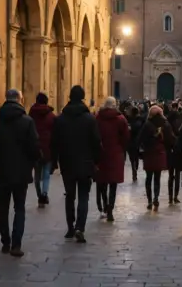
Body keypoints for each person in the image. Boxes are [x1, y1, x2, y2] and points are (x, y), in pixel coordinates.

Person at [0, 89, 40, 257]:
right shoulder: (27, 122)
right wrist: (35, 163)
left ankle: (5, 241)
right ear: (20, 100)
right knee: (19, 208)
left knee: (3, 208)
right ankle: (16, 244)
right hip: (21, 173)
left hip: (2, 171)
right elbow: (34, 147)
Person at [51, 85, 102, 243]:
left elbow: (54, 142)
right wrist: (97, 160)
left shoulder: (60, 119)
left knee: (70, 195)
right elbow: (96, 142)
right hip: (86, 163)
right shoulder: (89, 119)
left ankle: (70, 228)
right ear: (83, 97)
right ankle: (80, 227)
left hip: (67, 163)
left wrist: (54, 161)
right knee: (83, 196)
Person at [96, 96, 130, 222]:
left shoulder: (98, 118)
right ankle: (110, 209)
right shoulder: (121, 119)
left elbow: (95, 135)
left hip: (101, 154)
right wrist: (121, 148)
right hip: (115, 154)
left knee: (103, 182)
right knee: (113, 184)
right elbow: (126, 137)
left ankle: (105, 206)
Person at [138, 105, 175, 211]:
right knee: (157, 178)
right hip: (159, 153)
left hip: (149, 153)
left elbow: (140, 139)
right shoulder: (165, 124)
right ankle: (156, 198)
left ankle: (149, 200)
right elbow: (170, 139)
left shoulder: (147, 124)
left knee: (148, 178)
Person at [29, 93, 56, 208]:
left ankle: (39, 195)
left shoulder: (31, 115)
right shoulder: (51, 116)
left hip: (35, 148)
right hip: (48, 148)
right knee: (46, 174)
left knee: (37, 175)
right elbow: (55, 134)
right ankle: (44, 193)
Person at [167, 107, 182, 204]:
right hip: (178, 153)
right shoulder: (180, 126)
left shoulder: (167, 126)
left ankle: (170, 196)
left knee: (171, 176)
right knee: (177, 175)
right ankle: (175, 196)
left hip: (170, 153)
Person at [127, 106, 144, 182]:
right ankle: (135, 169)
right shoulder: (140, 119)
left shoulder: (133, 120)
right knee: (135, 158)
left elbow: (131, 129)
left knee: (133, 158)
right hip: (136, 142)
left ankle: (134, 170)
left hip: (132, 142)